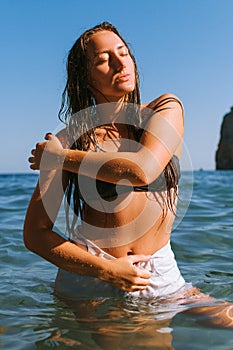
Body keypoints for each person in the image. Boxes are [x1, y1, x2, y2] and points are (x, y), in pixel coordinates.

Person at [24, 22, 232, 330]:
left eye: (123, 52)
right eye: (104, 59)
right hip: (92, 277)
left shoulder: (164, 109)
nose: (121, 63)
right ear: (85, 77)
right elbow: (35, 233)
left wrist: (60, 158)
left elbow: (141, 169)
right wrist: (106, 271)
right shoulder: (70, 139)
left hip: (158, 271)